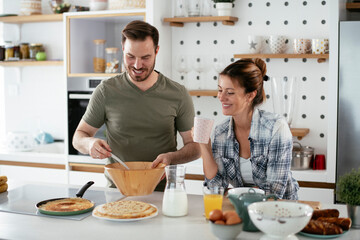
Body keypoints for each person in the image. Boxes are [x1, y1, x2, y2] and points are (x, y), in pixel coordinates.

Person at [72, 20, 201, 189]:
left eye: (145, 57)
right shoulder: (105, 91)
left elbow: (195, 147)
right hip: (117, 192)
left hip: (163, 192)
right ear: (123, 49)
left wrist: (171, 157)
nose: (137, 65)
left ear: (157, 51)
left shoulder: (178, 94)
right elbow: (79, 136)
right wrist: (89, 144)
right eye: (130, 57)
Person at [200, 58, 299, 200]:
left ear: (250, 95)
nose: (221, 97)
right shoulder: (220, 132)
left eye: (230, 92)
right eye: (220, 90)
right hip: (241, 209)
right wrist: (204, 147)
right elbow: (215, 189)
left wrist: (233, 194)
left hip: (280, 212)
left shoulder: (277, 128)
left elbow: (274, 191)